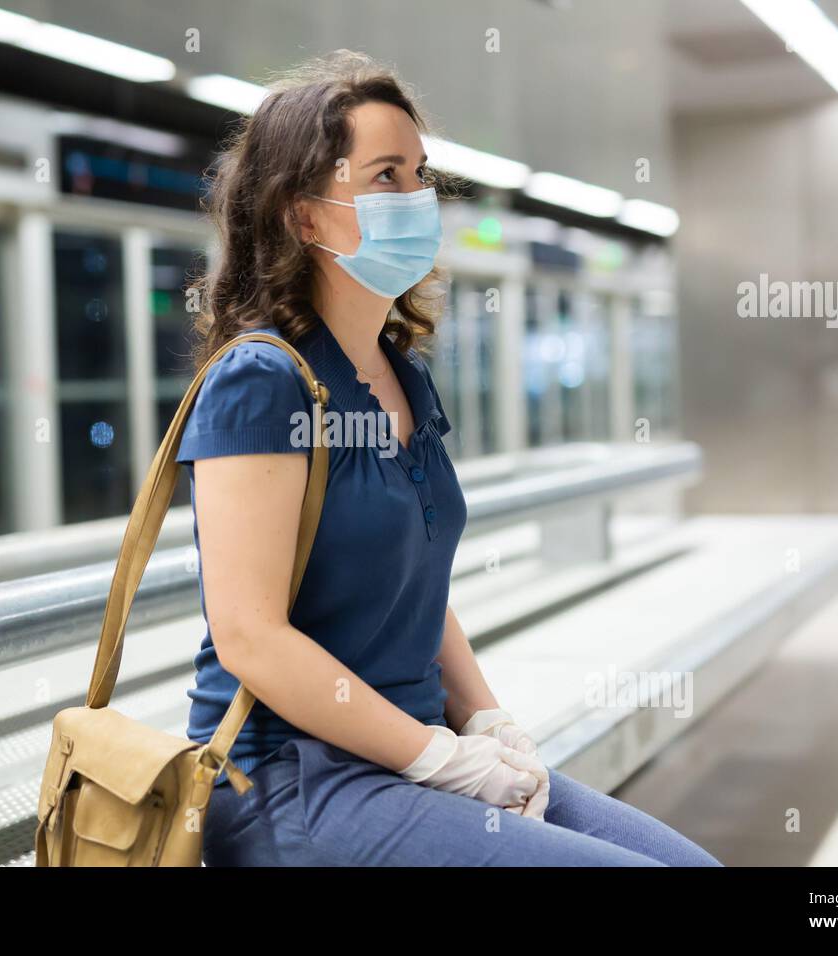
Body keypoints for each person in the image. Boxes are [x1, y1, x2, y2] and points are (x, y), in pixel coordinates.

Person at [176, 50, 722, 867]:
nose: (417, 200)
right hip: (291, 781)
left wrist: (489, 726)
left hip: (411, 753)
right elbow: (251, 637)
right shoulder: (261, 381)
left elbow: (414, 587)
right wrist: (440, 760)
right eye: (385, 176)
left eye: (421, 175)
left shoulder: (402, 373)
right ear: (303, 215)